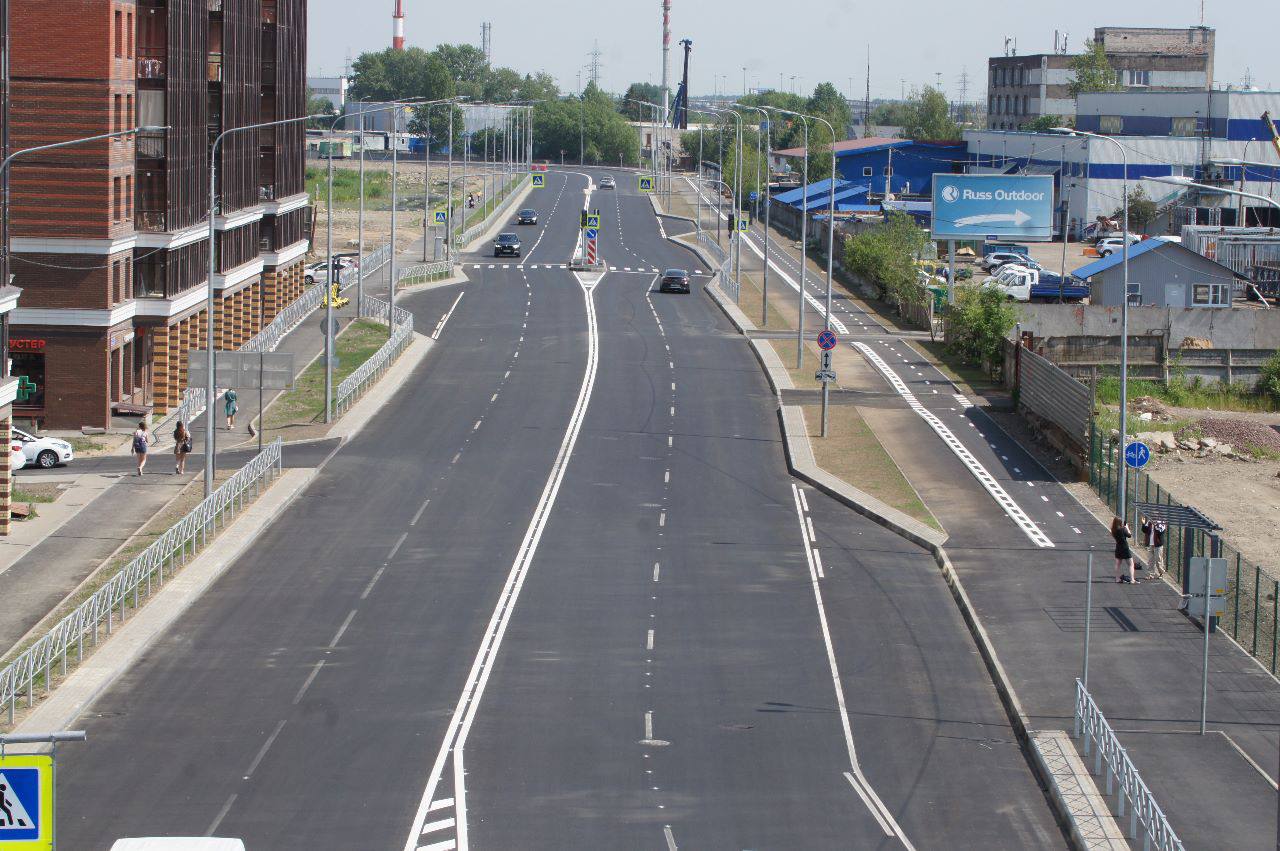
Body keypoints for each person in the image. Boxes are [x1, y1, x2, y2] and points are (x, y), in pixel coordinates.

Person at [1112, 517, 1137, 584]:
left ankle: (1117, 579)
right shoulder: (1123, 529)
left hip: (1118, 547)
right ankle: (1132, 579)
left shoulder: (1113, 530)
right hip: (1125, 547)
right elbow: (1129, 535)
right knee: (1131, 564)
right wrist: (1127, 528)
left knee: (1117, 564)